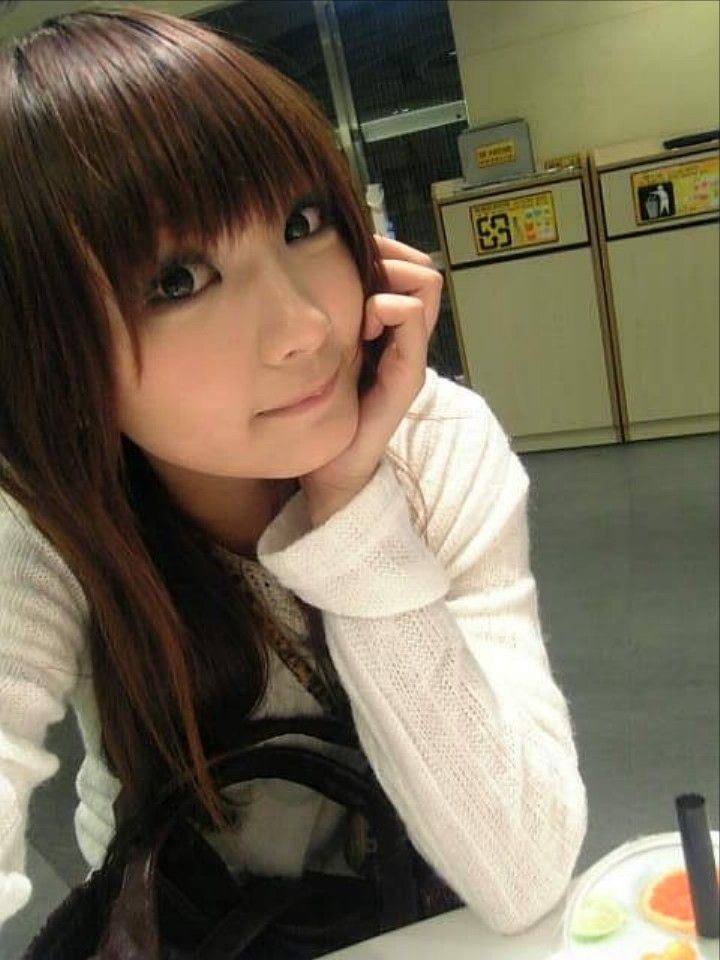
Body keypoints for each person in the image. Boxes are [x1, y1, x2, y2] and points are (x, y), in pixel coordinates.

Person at [0, 3, 588, 940]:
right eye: (177, 281)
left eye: (303, 222)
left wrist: (353, 510)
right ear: (51, 359)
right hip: (184, 922)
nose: (305, 328)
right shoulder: (46, 511)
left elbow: (523, 870)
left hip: (428, 922)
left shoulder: (435, 442)